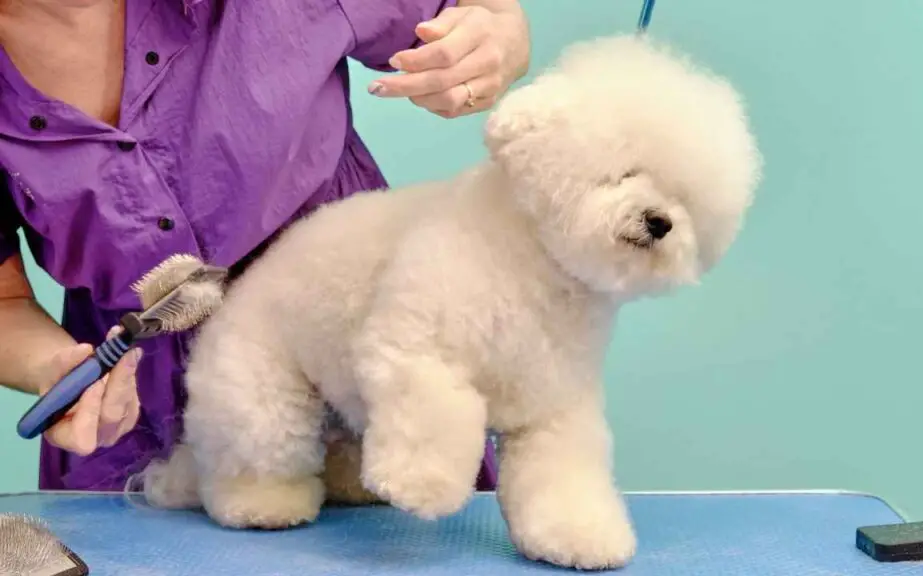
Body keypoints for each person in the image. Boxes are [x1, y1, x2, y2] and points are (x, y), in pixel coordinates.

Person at [0, 0, 530, 492]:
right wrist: (53, 364)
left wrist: (495, 30)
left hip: (359, 363)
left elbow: (467, 10)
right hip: (137, 435)